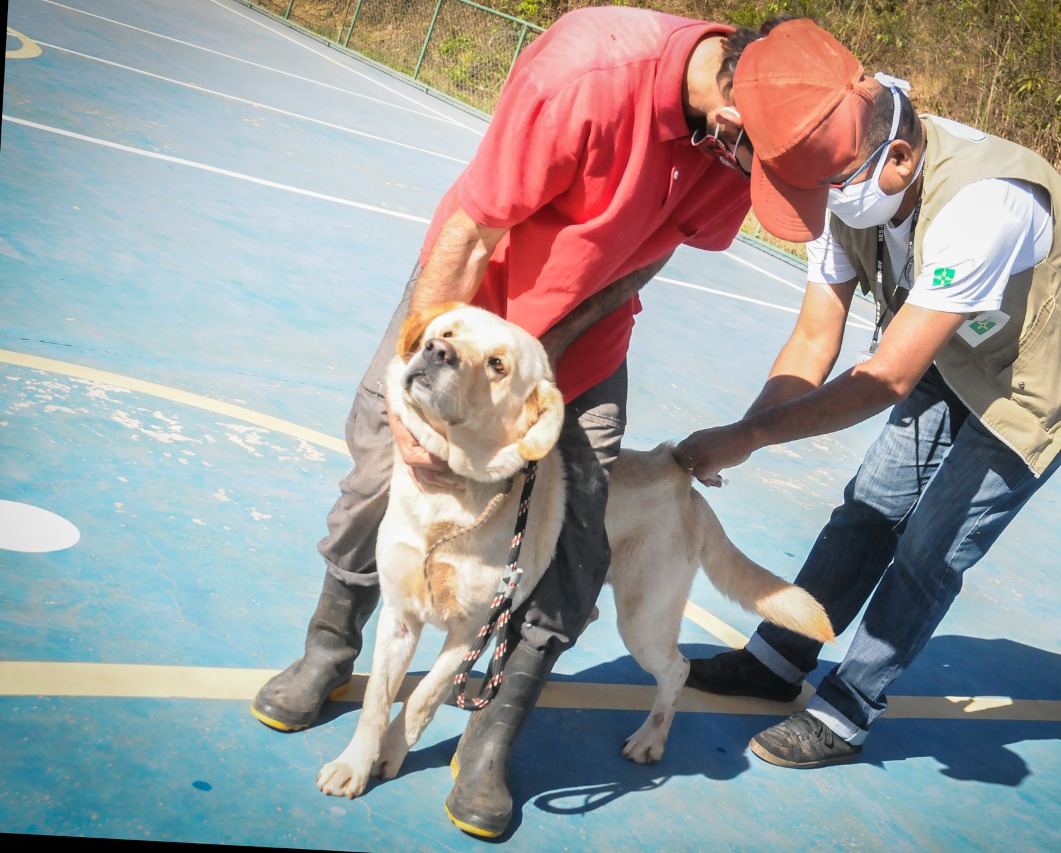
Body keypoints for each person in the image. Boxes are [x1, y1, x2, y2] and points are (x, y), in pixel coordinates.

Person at [250, 5, 812, 839]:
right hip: (467, 307)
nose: (757, 187)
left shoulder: (744, 139)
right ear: (733, 112)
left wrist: (555, 350)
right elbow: (473, 228)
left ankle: (489, 735)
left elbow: (654, 247)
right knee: (381, 469)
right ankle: (331, 650)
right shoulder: (587, 74)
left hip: (582, 343)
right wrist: (420, 384)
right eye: (760, 167)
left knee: (580, 537)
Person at [675, 19, 1061, 770]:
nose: (814, 205)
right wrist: (743, 429)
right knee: (871, 503)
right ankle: (777, 660)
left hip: (1048, 364)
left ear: (898, 159)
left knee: (931, 544)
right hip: (956, 339)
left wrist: (747, 438)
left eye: (822, 191)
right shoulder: (833, 170)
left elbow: (887, 375)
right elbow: (812, 342)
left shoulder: (982, 209)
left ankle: (850, 704)